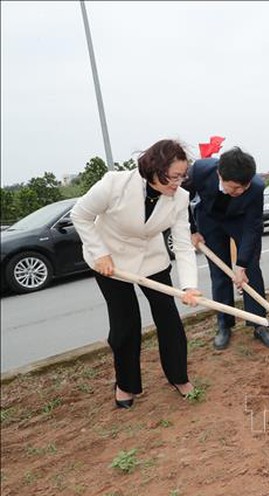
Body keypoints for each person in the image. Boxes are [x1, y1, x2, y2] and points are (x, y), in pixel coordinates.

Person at [70, 139, 201, 408]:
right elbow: (80, 215)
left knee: (169, 320)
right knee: (125, 324)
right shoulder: (114, 184)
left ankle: (178, 376)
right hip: (111, 262)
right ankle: (126, 385)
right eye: (173, 176)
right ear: (154, 168)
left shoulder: (180, 197)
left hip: (152, 260)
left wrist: (189, 286)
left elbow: (183, 244)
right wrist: (99, 253)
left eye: (182, 176)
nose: (178, 182)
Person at [185, 147, 269, 350]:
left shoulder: (256, 187)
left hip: (240, 221)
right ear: (220, 174)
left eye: (244, 187)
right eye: (234, 188)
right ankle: (224, 324)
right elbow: (181, 198)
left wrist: (242, 264)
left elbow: (253, 227)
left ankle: (258, 322)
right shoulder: (200, 170)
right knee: (219, 273)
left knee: (251, 269)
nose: (240, 192)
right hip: (209, 220)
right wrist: (191, 229)